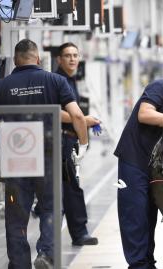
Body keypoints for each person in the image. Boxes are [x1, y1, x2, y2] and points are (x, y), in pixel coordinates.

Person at [0, 39, 88, 269]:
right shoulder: (56, 81)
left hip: (16, 160)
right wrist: (82, 145)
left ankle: (19, 263)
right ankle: (46, 254)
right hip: (48, 158)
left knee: (16, 215)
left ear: (15, 60)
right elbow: (76, 116)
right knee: (51, 207)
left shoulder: (2, 86)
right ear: (37, 58)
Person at [114, 79, 163, 269]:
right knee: (135, 213)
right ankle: (138, 264)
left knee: (149, 213)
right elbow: (144, 114)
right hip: (134, 158)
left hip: (157, 163)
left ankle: (147, 261)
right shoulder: (162, 87)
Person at [55, 42, 100, 246]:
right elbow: (55, 111)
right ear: (59, 59)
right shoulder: (58, 81)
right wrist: (81, 120)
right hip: (62, 141)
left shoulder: (71, 81)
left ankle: (69, 233)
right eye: (67, 55)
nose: (72, 59)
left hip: (69, 140)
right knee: (71, 188)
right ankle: (79, 233)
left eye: (75, 55)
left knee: (68, 187)